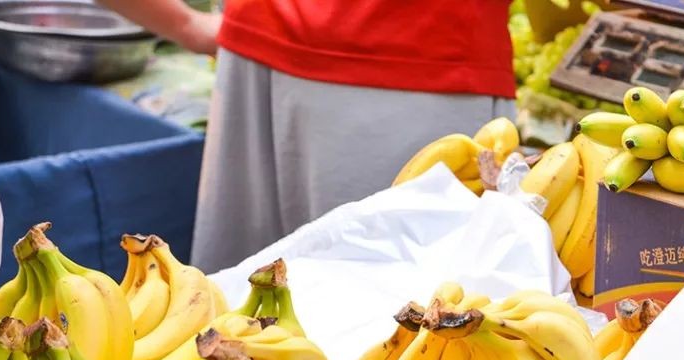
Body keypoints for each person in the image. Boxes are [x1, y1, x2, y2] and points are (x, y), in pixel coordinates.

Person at [97, 1, 516, 273]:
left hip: (266, 53)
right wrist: (189, 26)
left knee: (241, 323)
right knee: (400, 335)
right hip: (415, 61)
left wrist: (188, 25)